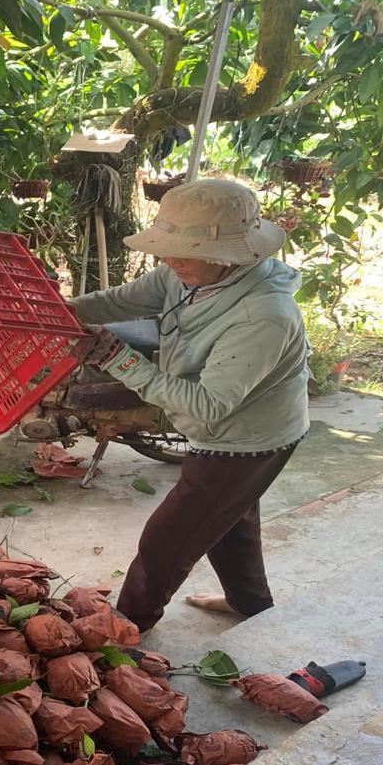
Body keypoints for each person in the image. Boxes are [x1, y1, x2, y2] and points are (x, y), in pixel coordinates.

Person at [74, 178, 309, 632]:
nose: (169, 258)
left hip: (249, 438)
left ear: (233, 253)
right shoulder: (183, 273)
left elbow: (206, 405)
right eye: (167, 247)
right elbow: (120, 301)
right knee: (229, 520)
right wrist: (59, 311)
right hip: (231, 429)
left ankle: (126, 625)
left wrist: (115, 358)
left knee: (170, 538)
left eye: (184, 250)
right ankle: (249, 603)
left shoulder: (265, 314)